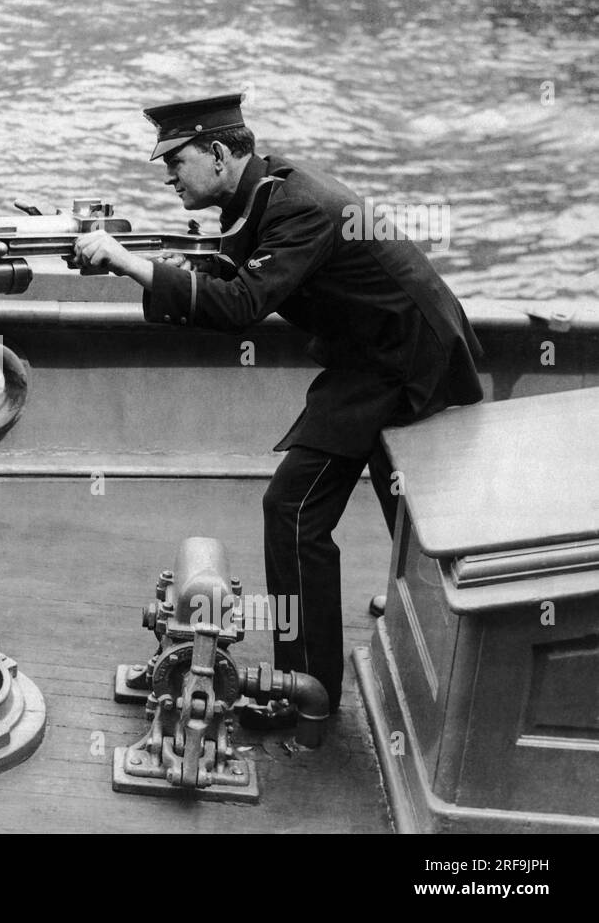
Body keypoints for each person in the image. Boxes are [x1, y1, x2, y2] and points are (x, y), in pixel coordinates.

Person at [73, 93, 483, 716]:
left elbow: (239, 307)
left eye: (176, 161)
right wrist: (161, 271)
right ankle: (415, 616)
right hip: (375, 353)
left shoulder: (297, 207)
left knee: (295, 510)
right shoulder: (261, 194)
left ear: (216, 152)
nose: (168, 175)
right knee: (400, 502)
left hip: (401, 361)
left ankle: (306, 694)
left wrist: (132, 264)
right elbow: (228, 282)